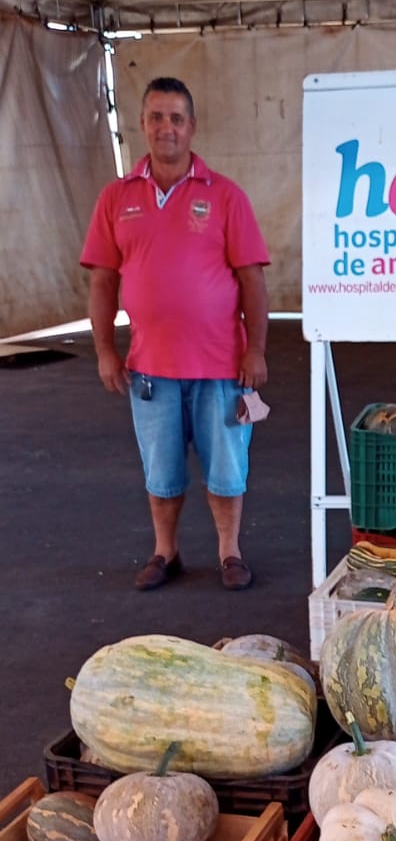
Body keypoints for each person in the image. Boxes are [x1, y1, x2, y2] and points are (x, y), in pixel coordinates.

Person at [80, 77, 271, 590]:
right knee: (161, 473)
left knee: (227, 469)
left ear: (192, 127)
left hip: (222, 368)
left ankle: (230, 553)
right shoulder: (116, 198)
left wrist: (255, 350)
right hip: (150, 370)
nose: (167, 128)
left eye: (177, 119)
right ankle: (166, 552)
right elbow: (103, 280)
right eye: (157, 117)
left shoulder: (225, 196)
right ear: (142, 124)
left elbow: (252, 279)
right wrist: (105, 351)